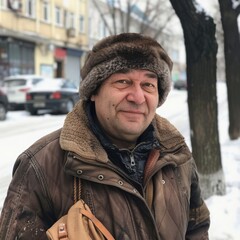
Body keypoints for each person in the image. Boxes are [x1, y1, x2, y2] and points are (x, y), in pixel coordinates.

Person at [0, 33, 210, 240]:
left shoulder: (177, 156)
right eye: (123, 81)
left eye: (148, 85)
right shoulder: (40, 165)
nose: (137, 97)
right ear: (93, 91)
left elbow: (197, 228)